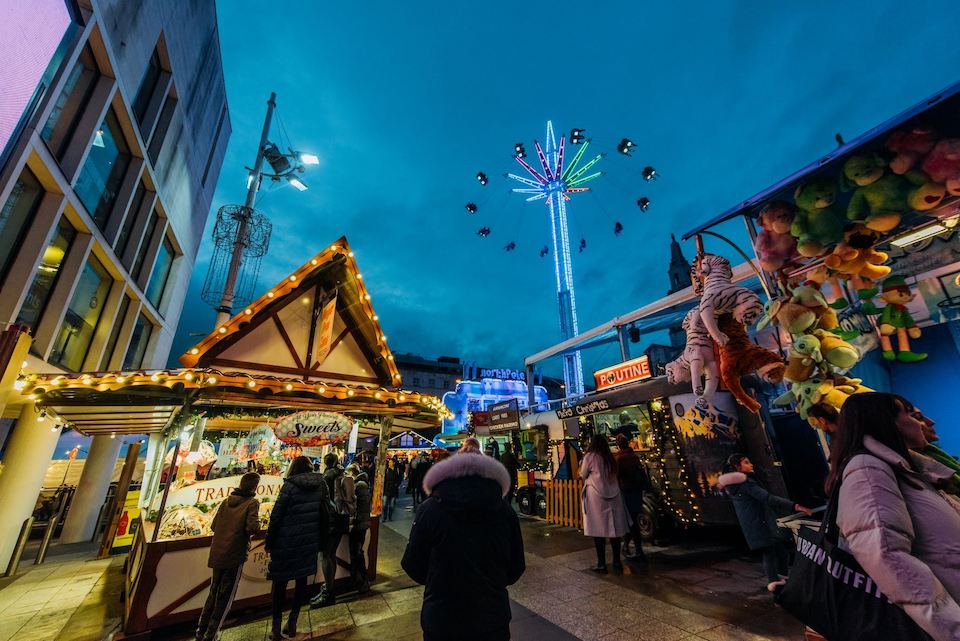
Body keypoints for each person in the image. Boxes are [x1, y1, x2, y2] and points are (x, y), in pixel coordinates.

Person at [829, 392, 960, 640]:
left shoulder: (904, 469)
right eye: (911, 414)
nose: (925, 422)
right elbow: (887, 557)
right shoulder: (867, 470)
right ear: (887, 422)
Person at [402, 438, 525, 641]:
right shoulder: (504, 511)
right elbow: (516, 566)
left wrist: (439, 580)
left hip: (442, 619)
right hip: (491, 618)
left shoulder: (430, 509)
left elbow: (412, 564)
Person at [718, 454, 814, 592]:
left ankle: (780, 581)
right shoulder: (746, 485)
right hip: (759, 524)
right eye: (746, 462)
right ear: (737, 467)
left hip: (755, 524)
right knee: (770, 554)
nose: (751, 465)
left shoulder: (734, 486)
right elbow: (768, 498)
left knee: (779, 551)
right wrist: (796, 506)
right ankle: (775, 586)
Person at [265, 457, 328, 640]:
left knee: (280, 585)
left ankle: (276, 627)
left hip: (286, 542)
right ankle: (292, 622)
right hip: (309, 541)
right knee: (302, 583)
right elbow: (324, 514)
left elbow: (276, 517)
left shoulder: (289, 486)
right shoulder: (320, 485)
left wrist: (270, 541)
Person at [195, 472, 261, 641]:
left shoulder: (225, 502)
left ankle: (201, 630)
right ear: (255, 487)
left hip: (218, 552)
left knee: (214, 590)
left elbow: (214, 525)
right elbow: (252, 527)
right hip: (234, 554)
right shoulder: (252, 503)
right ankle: (212, 633)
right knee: (226, 595)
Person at [580, 434, 631, 574]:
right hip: (614, 495)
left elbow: (582, 474)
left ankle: (601, 563)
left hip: (596, 496)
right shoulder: (610, 457)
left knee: (598, 530)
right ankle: (616, 562)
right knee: (614, 531)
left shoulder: (590, 456)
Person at [313, 452, 352, 607]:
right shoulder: (342, 474)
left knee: (326, 555)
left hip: (330, 522)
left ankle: (329, 591)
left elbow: (321, 500)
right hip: (341, 519)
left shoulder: (327, 477)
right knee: (331, 554)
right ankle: (329, 587)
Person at [613, 434, 650, 561]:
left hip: (626, 491)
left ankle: (636, 548)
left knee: (630, 521)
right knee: (633, 518)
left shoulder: (619, 459)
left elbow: (616, 476)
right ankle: (629, 546)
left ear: (618, 445)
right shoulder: (634, 457)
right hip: (636, 490)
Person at [346, 463, 372, 593]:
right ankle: (356, 580)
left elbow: (358, 507)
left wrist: (353, 520)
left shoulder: (359, 485)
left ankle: (363, 581)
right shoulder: (362, 484)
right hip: (360, 523)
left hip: (359, 524)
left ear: (352, 473)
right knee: (355, 553)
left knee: (357, 553)